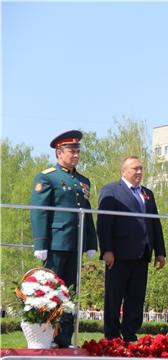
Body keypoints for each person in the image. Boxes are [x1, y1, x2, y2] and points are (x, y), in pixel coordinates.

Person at [30, 130, 97, 348]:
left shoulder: (82, 181)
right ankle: (45, 337)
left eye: (78, 151)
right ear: (60, 153)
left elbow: (86, 213)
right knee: (49, 292)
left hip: (75, 245)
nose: (76, 155)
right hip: (56, 244)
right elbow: (39, 211)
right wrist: (40, 243)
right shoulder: (47, 177)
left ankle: (64, 338)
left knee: (70, 294)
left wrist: (90, 242)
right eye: (72, 151)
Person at [97, 155, 166, 341]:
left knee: (136, 297)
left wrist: (160, 251)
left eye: (141, 168)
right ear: (123, 171)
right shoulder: (111, 190)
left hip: (142, 253)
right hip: (118, 254)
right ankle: (111, 336)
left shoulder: (147, 193)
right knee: (114, 296)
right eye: (135, 168)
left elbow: (155, 223)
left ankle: (129, 334)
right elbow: (104, 223)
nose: (139, 172)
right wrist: (107, 251)